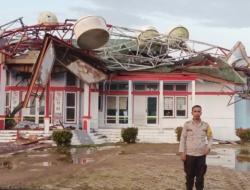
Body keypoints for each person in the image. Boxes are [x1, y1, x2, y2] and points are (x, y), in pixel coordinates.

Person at [179, 105, 213, 190]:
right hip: (189, 155)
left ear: (201, 113)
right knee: (189, 177)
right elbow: (182, 138)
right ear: (192, 113)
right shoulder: (187, 125)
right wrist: (182, 152)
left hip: (201, 155)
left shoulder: (206, 125)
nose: (197, 113)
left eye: (199, 111)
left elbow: (210, 137)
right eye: (195, 111)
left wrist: (208, 147)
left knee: (200, 178)